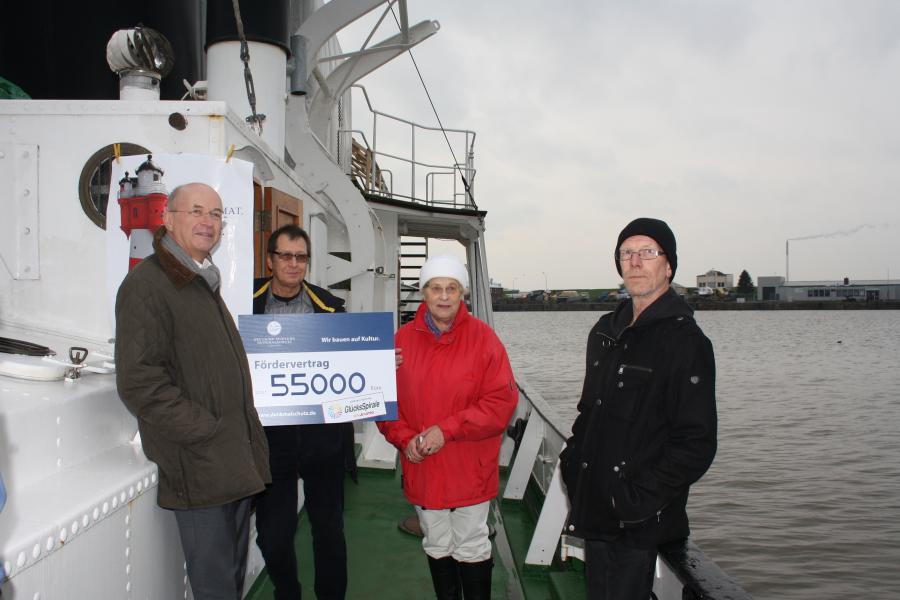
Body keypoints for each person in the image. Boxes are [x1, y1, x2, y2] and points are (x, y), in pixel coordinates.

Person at [115, 182, 270, 600]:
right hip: (200, 467)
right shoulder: (148, 285)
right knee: (216, 588)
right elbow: (140, 382)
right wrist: (207, 430)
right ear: (167, 220)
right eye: (196, 211)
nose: (208, 222)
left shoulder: (201, 280)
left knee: (230, 579)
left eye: (216, 214)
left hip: (231, 463)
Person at [560, 218, 717, 600]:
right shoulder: (604, 331)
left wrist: (632, 501)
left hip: (639, 522)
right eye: (626, 253)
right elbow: (588, 413)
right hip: (596, 508)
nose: (635, 261)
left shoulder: (686, 341)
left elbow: (696, 443)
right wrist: (572, 466)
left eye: (648, 252)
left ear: (668, 266)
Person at [378, 255, 518, 600]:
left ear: (462, 294)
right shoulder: (399, 342)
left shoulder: (485, 341)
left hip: (469, 465)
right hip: (423, 465)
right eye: (436, 288)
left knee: (471, 544)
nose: (443, 296)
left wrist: (448, 429)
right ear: (424, 294)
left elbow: (500, 404)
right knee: (437, 542)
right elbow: (383, 403)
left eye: (451, 289)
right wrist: (404, 438)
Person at [252, 224, 352, 600]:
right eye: (285, 256)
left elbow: (351, 362)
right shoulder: (244, 304)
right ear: (270, 260)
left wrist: (377, 363)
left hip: (320, 436)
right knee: (273, 536)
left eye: (301, 257)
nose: (294, 264)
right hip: (268, 439)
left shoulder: (330, 306)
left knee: (329, 531)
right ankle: (288, 592)